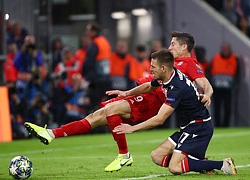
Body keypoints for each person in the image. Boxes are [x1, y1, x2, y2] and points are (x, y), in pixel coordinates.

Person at [24, 31, 213, 172]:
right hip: (147, 92)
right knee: (97, 115)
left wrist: (208, 94)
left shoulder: (189, 63)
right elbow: (152, 84)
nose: (170, 47)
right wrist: (126, 93)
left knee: (111, 110)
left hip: (153, 101)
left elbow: (204, 83)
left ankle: (124, 154)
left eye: (173, 44)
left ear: (184, 47)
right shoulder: (172, 63)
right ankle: (52, 133)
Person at [110, 49, 237, 175]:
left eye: (153, 67)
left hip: (198, 127)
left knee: (175, 168)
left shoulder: (177, 88)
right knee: (157, 156)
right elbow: (149, 86)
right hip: (189, 127)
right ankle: (200, 164)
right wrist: (126, 93)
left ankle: (223, 164)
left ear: (163, 68)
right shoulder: (168, 76)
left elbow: (159, 119)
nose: (151, 69)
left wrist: (132, 128)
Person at [82, 22, 111, 109]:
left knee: (93, 103)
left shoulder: (95, 43)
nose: (86, 32)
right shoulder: (104, 41)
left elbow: (89, 61)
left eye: (88, 30)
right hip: (105, 76)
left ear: (93, 31)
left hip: (96, 77)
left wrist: (85, 73)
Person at [209, 42, 238, 127]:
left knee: (227, 107)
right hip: (217, 87)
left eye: (226, 49)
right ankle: (217, 125)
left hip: (228, 88)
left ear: (230, 50)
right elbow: (210, 71)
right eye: (223, 49)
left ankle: (226, 125)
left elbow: (237, 73)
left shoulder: (234, 59)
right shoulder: (216, 58)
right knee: (217, 107)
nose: (224, 51)